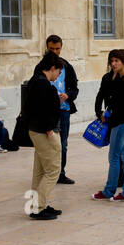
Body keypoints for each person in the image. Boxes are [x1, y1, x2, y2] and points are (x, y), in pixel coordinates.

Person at [93, 49, 124, 200]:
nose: (113, 64)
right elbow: (106, 96)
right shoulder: (117, 77)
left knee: (114, 157)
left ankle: (109, 191)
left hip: (123, 122)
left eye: (116, 61)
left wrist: (112, 116)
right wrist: (102, 112)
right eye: (111, 61)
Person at [25, 51, 64, 220]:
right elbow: (43, 109)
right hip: (44, 132)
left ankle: (37, 205)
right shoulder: (43, 84)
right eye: (59, 72)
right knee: (53, 170)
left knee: (40, 172)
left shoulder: (36, 80)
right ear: (53, 68)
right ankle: (38, 208)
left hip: (35, 130)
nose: (58, 75)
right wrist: (49, 128)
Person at [44, 35, 79, 185]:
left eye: (57, 49)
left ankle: (60, 173)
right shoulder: (41, 67)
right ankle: (47, 172)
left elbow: (75, 89)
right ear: (47, 47)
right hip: (47, 110)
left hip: (63, 110)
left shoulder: (67, 66)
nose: (54, 51)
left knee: (62, 144)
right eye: (51, 48)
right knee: (47, 143)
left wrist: (68, 95)